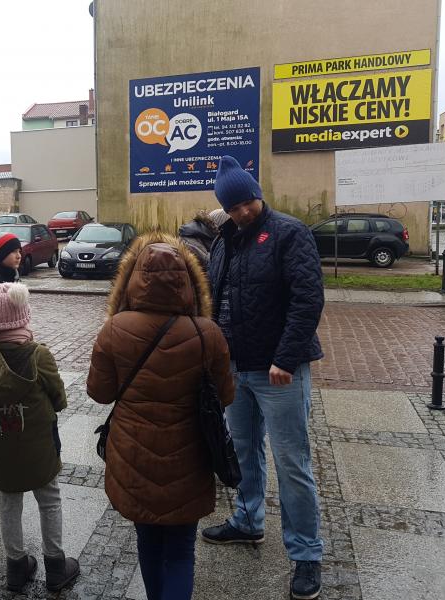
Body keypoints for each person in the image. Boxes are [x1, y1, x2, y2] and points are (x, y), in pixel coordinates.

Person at [202, 156, 325, 600]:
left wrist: (286, 359)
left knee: (292, 463)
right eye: (233, 207)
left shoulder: (290, 233)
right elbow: (215, 304)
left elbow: (307, 300)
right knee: (244, 451)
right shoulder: (223, 243)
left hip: (279, 374)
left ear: (257, 193)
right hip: (236, 370)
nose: (242, 212)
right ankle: (248, 521)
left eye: (246, 201)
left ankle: (306, 554)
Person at [86, 232, 235, 600]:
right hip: (191, 457)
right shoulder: (208, 334)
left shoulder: (114, 329)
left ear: (136, 279)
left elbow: (99, 393)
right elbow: (226, 397)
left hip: (134, 457)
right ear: (186, 281)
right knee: (181, 550)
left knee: (148, 542)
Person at [0, 277, 80, 593]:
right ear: (22, 313)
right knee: (49, 498)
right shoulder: (37, 354)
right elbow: (57, 395)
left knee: (8, 502)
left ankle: (16, 566)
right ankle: (56, 566)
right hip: (38, 445)